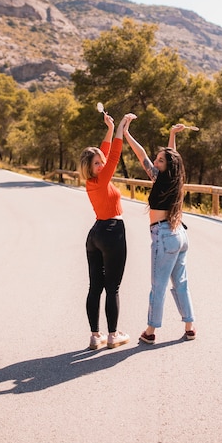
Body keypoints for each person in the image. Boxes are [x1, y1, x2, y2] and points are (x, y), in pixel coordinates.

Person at [123, 119, 196, 344]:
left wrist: (125, 132)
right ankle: (190, 326)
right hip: (180, 236)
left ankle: (150, 331)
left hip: (163, 237)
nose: (155, 161)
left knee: (158, 286)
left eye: (159, 160)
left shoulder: (160, 179)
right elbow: (172, 154)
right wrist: (172, 134)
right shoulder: (175, 180)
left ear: (166, 165)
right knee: (181, 284)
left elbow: (141, 153)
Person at [79, 111, 136, 350]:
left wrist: (110, 129)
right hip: (112, 231)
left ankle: (95, 336)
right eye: (97, 163)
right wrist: (122, 128)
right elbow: (113, 156)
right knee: (112, 288)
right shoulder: (102, 179)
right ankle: (112, 335)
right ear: (90, 168)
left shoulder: (92, 181)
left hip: (95, 234)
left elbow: (104, 153)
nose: (102, 164)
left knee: (95, 287)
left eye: (101, 162)